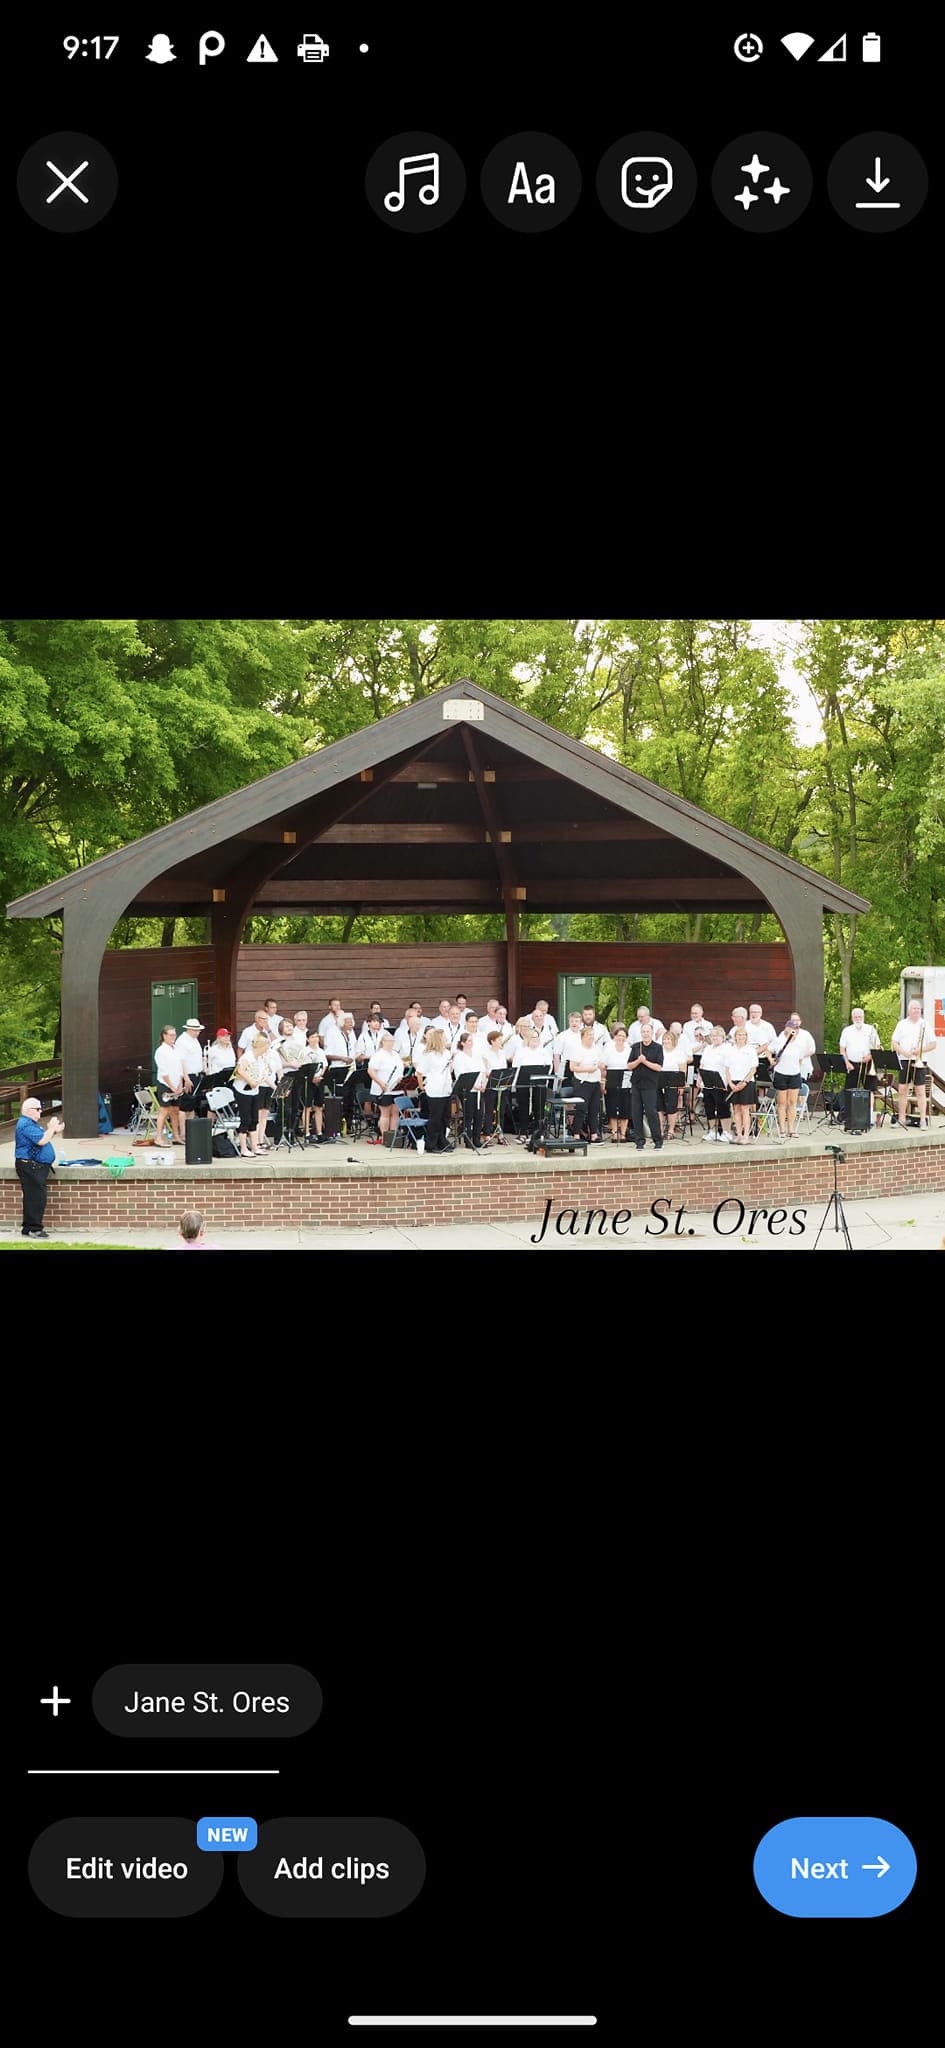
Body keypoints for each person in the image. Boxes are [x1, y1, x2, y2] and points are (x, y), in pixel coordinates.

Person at [14, 1098, 64, 1239]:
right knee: (36, 1198)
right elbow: (42, 1140)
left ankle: (28, 1227)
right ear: (29, 1110)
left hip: (33, 1166)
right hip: (30, 1166)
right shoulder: (26, 1124)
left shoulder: (30, 1124)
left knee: (32, 1196)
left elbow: (43, 1138)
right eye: (38, 1109)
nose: (40, 1111)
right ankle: (35, 1229)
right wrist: (52, 1128)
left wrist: (53, 1131)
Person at [770, 1014, 816, 1139]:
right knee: (782, 1103)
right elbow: (769, 1049)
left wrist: (795, 1067)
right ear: (786, 1029)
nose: (792, 1032)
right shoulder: (779, 1040)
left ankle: (791, 1129)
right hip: (781, 1074)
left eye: (794, 1030)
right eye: (790, 1029)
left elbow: (801, 1059)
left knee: (792, 1102)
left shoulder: (800, 1043)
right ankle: (782, 1129)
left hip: (794, 1074)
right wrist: (771, 1060)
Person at [891, 999, 932, 1129]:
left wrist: (919, 1051)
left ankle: (922, 1120)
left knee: (920, 1091)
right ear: (909, 1010)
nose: (916, 1011)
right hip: (904, 1059)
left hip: (919, 1060)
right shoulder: (902, 1024)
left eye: (918, 1009)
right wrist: (904, 1052)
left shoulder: (925, 1024)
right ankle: (902, 1118)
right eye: (914, 1008)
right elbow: (894, 1042)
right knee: (902, 1090)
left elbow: (933, 1044)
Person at [414, 1028, 454, 1152]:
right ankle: (431, 1144)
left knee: (445, 1117)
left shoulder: (447, 1053)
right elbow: (419, 1073)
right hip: (434, 1089)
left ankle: (442, 1141)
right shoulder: (429, 1055)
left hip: (446, 1088)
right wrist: (422, 1088)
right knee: (435, 1118)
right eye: (444, 1038)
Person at [839, 1007, 880, 1127]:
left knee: (870, 1090)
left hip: (868, 1064)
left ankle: (870, 1117)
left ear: (863, 1017)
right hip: (852, 1064)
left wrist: (870, 1056)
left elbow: (877, 1046)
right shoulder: (847, 1030)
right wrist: (847, 1063)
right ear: (852, 1018)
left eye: (860, 1017)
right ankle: (850, 1117)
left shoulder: (870, 1029)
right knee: (849, 1090)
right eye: (856, 1017)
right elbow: (842, 1049)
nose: (858, 1019)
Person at [511, 1024, 552, 1137]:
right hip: (523, 1083)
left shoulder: (543, 1051)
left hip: (539, 1083)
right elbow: (516, 1067)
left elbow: (549, 1066)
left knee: (539, 1106)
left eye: (537, 1038)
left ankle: (539, 1131)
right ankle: (523, 1132)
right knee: (523, 1107)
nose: (535, 1040)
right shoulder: (521, 1051)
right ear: (527, 1039)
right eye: (533, 1038)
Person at [628, 1023, 664, 1150]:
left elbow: (658, 1067)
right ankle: (639, 1141)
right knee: (636, 1112)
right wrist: (638, 1061)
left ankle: (658, 1140)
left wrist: (645, 1061)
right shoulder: (636, 1047)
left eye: (648, 1031)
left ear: (652, 1033)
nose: (645, 1034)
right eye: (643, 1031)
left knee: (651, 1112)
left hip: (650, 1084)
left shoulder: (658, 1048)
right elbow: (629, 1065)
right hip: (636, 1083)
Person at [367, 1033, 405, 1145]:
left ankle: (393, 1136)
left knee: (395, 1112)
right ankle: (384, 1136)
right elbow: (371, 1071)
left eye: (392, 1041)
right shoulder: (378, 1055)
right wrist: (380, 1083)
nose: (391, 1043)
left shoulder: (396, 1054)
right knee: (385, 1113)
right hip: (384, 1088)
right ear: (383, 1042)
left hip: (397, 1088)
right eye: (388, 1041)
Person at [452, 1031, 488, 1150]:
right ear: (462, 1043)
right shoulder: (459, 1056)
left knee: (479, 1115)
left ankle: (476, 1139)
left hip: (479, 1090)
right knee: (469, 1115)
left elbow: (482, 1070)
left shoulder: (476, 1054)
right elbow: (461, 1074)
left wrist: (483, 1083)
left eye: (472, 1041)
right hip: (467, 1090)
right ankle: (468, 1140)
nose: (471, 1043)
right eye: (468, 1041)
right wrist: (474, 1085)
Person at [232, 1035, 265, 1157]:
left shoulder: (260, 1059)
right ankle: (244, 1148)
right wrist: (250, 1081)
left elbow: (263, 1074)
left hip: (254, 1091)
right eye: (265, 1047)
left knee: (254, 1120)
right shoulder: (248, 1056)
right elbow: (240, 1070)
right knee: (245, 1119)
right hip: (243, 1091)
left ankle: (255, 1147)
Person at [154, 1024, 186, 1145]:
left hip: (177, 1084)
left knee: (175, 1111)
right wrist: (172, 1087)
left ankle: (176, 1136)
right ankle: (158, 1137)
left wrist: (180, 1084)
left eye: (174, 1034)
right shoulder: (161, 1051)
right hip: (165, 1085)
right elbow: (163, 1072)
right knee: (164, 1111)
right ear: (164, 1036)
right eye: (171, 1035)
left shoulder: (176, 1048)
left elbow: (179, 1068)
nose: (174, 1037)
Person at [726, 1024, 758, 1145]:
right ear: (735, 1036)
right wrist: (730, 1083)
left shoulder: (750, 1050)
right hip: (733, 1081)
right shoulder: (731, 1049)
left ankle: (746, 1136)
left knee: (745, 1109)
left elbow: (753, 1069)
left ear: (746, 1037)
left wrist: (744, 1082)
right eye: (739, 1035)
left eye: (744, 1035)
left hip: (747, 1082)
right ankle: (738, 1134)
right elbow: (727, 1069)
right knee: (736, 1109)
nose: (741, 1037)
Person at [699, 1027, 732, 1143]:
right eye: (713, 1036)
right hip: (707, 1082)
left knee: (723, 1106)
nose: (715, 1038)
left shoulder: (727, 1049)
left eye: (717, 1036)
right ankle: (713, 1131)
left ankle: (726, 1132)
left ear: (723, 1037)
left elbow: (729, 1066)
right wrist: (699, 1078)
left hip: (721, 1081)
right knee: (709, 1107)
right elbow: (702, 1064)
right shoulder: (708, 1048)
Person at [603, 1025, 633, 1142]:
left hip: (626, 1077)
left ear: (626, 1037)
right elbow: (603, 1065)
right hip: (611, 1076)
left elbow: (632, 1065)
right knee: (612, 1105)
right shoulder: (608, 1048)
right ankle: (614, 1133)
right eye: (619, 1035)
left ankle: (623, 1133)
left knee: (625, 1106)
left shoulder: (629, 1049)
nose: (621, 1038)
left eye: (623, 1036)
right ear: (614, 1036)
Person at [658, 1028, 687, 1141]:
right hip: (659, 1082)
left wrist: (681, 1086)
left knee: (671, 1107)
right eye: (664, 1039)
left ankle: (670, 1130)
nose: (666, 1041)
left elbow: (682, 1070)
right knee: (658, 1106)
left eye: (668, 1039)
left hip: (673, 1083)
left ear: (673, 1040)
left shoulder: (679, 1052)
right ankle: (659, 1130)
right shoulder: (659, 1051)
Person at [177, 1017, 205, 1122]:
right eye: (195, 1030)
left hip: (197, 1074)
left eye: (198, 1030)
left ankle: (191, 1132)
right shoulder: (182, 1041)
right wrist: (186, 1078)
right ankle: (183, 1133)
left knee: (192, 1105)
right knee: (184, 1105)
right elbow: (181, 1061)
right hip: (188, 1075)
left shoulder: (194, 1040)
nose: (198, 1033)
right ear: (189, 1029)